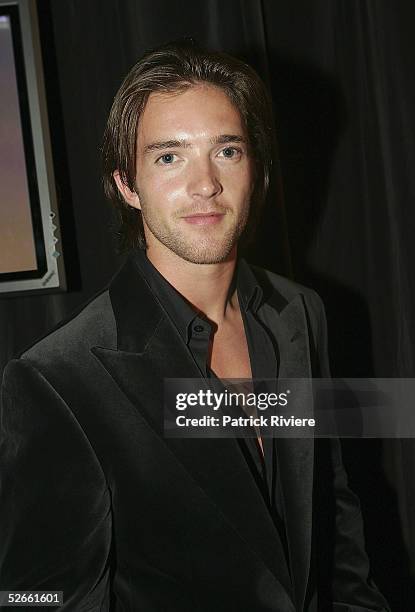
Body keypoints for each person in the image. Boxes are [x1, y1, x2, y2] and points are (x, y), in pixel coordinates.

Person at [0, 41, 390, 611]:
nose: (205, 183)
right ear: (126, 185)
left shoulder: (300, 313)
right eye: (168, 157)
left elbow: (335, 521)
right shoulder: (58, 380)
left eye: (226, 150)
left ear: (255, 169)